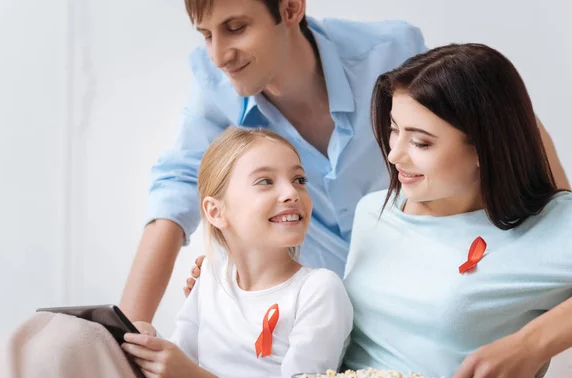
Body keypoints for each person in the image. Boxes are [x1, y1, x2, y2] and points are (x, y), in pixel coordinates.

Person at [119, 0, 570, 323]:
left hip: (431, 295)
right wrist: (128, 329)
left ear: (291, 8)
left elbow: (506, 121)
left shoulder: (390, 51)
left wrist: (558, 229)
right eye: (206, 35)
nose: (218, 55)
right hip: (318, 311)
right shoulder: (215, 86)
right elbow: (176, 192)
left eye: (236, 27)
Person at [0, 127, 353, 378]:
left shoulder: (318, 290)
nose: (291, 193)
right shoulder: (211, 281)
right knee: (52, 336)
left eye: (299, 179)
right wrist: (149, 351)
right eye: (266, 182)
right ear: (216, 212)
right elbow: (180, 366)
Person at [339, 43, 572, 378]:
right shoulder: (373, 211)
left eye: (421, 142)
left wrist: (530, 345)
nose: (394, 154)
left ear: (483, 147)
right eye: (394, 130)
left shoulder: (551, 225)